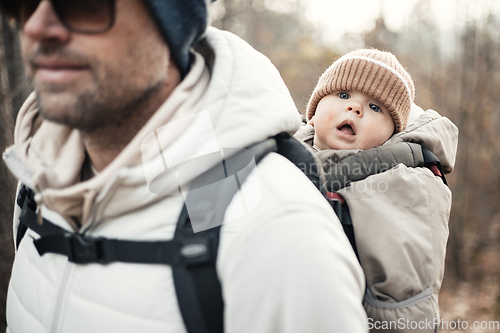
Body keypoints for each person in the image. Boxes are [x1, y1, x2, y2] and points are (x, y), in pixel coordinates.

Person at [0, 0, 368, 332]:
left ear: (170, 24)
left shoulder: (278, 232)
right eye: (26, 4)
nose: (35, 26)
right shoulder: (39, 181)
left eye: (84, 5)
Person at [295, 48, 459, 332]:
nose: (355, 108)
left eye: (375, 107)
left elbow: (406, 299)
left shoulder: (401, 179)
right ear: (312, 114)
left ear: (389, 136)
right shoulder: (278, 151)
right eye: (343, 95)